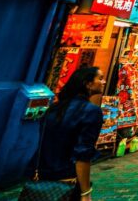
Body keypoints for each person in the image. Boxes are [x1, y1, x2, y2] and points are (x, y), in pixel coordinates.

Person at [36, 67, 105, 201]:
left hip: (43, 176)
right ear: (88, 84)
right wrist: (85, 193)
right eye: (100, 78)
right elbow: (83, 154)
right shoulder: (91, 111)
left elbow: (42, 142)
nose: (104, 82)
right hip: (68, 178)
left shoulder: (54, 108)